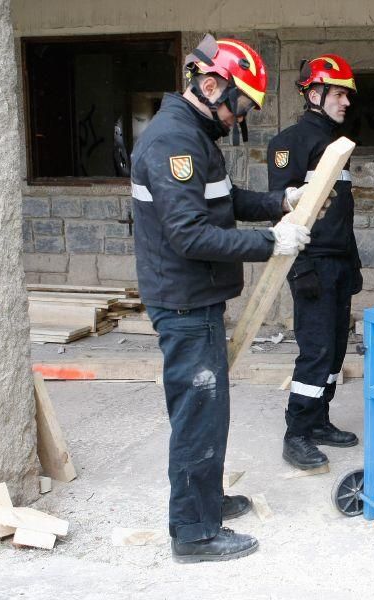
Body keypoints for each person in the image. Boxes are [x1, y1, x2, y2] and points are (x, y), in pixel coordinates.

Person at [131, 35, 312, 562]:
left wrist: (281, 201)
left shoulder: (194, 135)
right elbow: (189, 234)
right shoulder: (173, 142)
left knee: (210, 411)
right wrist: (270, 242)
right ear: (211, 85)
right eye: (241, 106)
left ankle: (207, 500)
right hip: (184, 303)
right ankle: (193, 533)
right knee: (198, 417)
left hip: (197, 299)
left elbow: (224, 202)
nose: (240, 117)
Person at [267, 54, 361, 470]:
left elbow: (343, 211)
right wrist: (300, 268)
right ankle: (297, 433)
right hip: (313, 266)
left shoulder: (338, 145)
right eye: (339, 93)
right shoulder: (290, 143)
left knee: (335, 351)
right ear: (315, 93)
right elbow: (282, 213)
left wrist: (353, 263)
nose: (346, 102)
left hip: (338, 263)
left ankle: (320, 420)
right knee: (315, 351)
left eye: (347, 95)